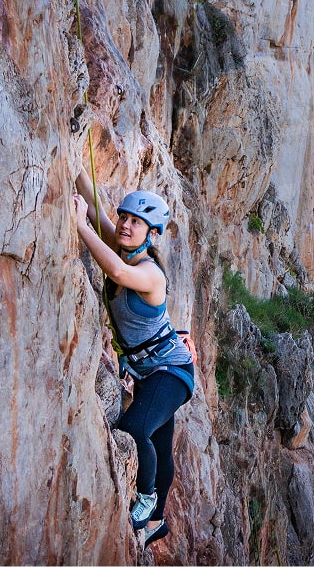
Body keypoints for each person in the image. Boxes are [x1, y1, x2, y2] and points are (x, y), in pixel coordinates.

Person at [73, 172, 194, 544]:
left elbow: (116, 271)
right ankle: (157, 521)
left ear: (150, 233)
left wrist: (78, 226)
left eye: (135, 222)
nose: (125, 225)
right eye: (124, 217)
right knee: (159, 441)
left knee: (136, 428)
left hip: (170, 371)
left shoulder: (148, 273)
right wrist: (75, 164)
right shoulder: (122, 243)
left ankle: (145, 499)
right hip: (148, 372)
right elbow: (96, 207)